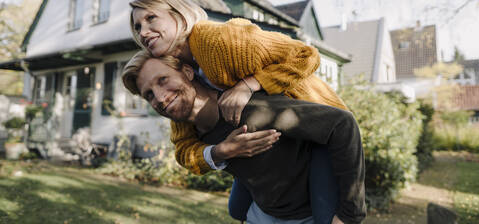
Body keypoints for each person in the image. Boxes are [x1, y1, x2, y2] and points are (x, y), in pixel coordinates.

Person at [129, 0, 349, 223]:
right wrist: (221, 151)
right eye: (137, 27)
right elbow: (184, 147)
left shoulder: (219, 41)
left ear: (179, 16)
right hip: (272, 141)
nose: (143, 32)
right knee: (237, 209)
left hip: (317, 126)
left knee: (326, 215)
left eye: (151, 18)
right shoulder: (176, 75)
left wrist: (248, 85)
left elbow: (306, 55)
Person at [122, 52, 366, 224]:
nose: (161, 98)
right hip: (262, 213)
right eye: (149, 95)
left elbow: (342, 124)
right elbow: (186, 156)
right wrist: (222, 151)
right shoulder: (192, 134)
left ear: (187, 71)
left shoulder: (251, 110)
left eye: (163, 80)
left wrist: (349, 215)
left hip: (306, 216)